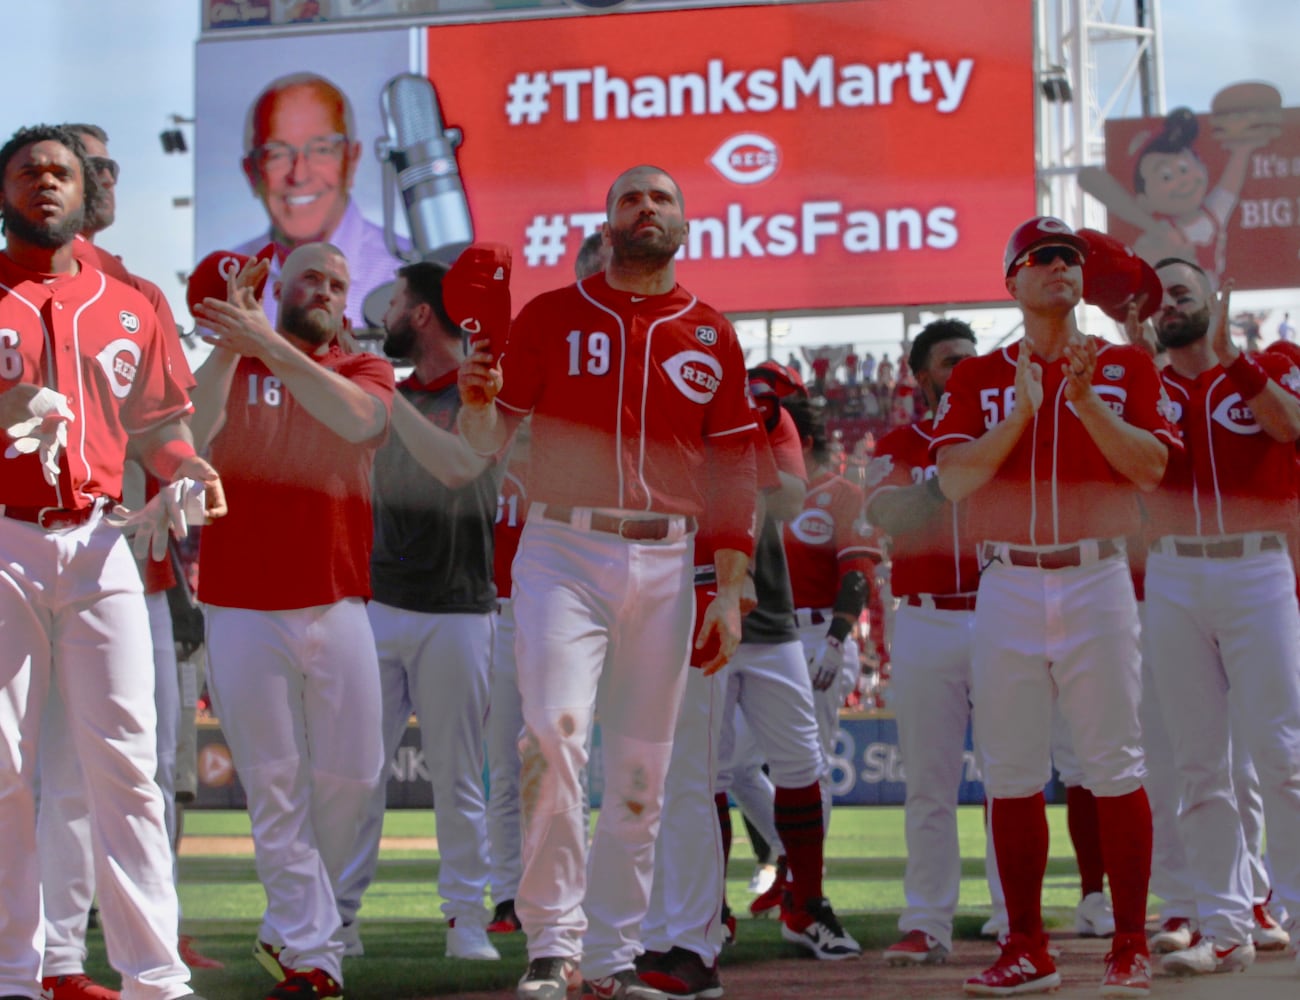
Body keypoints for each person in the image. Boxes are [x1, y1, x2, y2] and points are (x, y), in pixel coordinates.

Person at [457, 164, 758, 1000]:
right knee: (550, 735)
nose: (647, 208)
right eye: (631, 197)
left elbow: (736, 473)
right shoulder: (550, 316)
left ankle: (618, 952)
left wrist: (729, 589)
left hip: (671, 557)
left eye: (661, 198)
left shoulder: (711, 331)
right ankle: (554, 940)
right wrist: (478, 401)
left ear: (684, 222)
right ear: (609, 220)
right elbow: (488, 439)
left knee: (641, 770)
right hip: (562, 544)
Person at [0, 123, 222, 1000]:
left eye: (63, 172)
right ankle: (14, 973)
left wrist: (190, 468)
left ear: (87, 191)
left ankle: (155, 978)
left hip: (101, 541)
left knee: (128, 764)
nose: (47, 183)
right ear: (5, 191)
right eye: (28, 172)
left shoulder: (134, 302)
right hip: (4, 539)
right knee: (3, 765)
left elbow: (161, 428)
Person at [931, 217, 1178, 997]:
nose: (1061, 267)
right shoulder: (977, 377)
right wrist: (1022, 413)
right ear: (1013, 279)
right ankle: (1027, 944)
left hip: (1096, 574)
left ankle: (1129, 941)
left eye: (1070, 257)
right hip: (1007, 580)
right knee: (1010, 770)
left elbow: (1151, 469)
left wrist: (1084, 403)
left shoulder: (1125, 365)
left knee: (1113, 763)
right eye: (1043, 257)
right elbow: (952, 482)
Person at [189, 241, 395, 1000]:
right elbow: (195, 432)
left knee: (355, 776)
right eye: (311, 276)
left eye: (338, 282)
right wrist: (230, 344)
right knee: (275, 785)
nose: (326, 290)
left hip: (337, 594)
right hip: (241, 600)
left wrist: (266, 344)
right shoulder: (233, 363)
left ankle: (294, 927)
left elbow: (358, 423)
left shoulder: (364, 368)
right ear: (280, 285)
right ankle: (314, 955)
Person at [335, 259, 503, 961]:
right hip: (379, 602)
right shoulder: (389, 392)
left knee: (458, 775)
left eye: (398, 302)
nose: (387, 316)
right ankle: (338, 919)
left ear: (423, 314)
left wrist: (377, 387)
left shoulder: (482, 391)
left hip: (459, 609)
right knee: (354, 774)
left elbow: (461, 463)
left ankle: (466, 918)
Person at [1142, 258, 1300, 977]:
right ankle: (1225, 925)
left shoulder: (1273, 363)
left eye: (1183, 291)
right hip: (1172, 571)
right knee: (1197, 762)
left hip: (1258, 566)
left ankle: (1288, 907)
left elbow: (1290, 426)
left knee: (1281, 754)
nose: (1170, 304)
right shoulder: (1142, 384)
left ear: (1213, 299)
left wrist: (1235, 360)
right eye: (1160, 296)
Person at [866, 319, 1008, 966]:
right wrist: (948, 476)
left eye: (972, 360)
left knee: (1013, 775)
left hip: (1001, 608)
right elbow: (884, 513)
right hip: (923, 617)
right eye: (952, 361)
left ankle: (1016, 918)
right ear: (921, 373)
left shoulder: (1004, 431)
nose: (965, 369)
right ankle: (927, 921)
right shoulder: (900, 440)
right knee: (929, 783)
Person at [230, 72, 408, 329]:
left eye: (322, 149)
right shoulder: (227, 280)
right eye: (277, 154)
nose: (299, 175)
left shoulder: (404, 274)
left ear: (352, 160)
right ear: (251, 172)